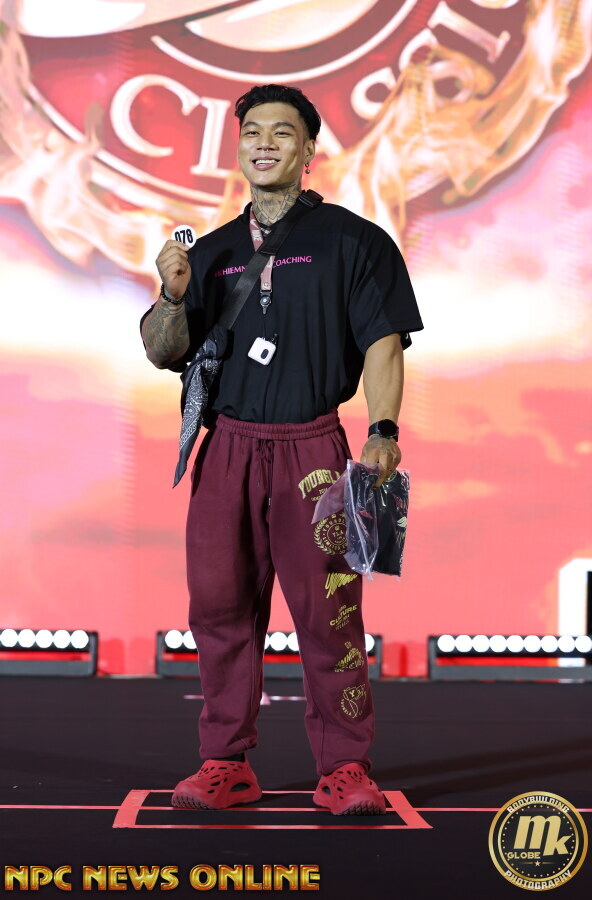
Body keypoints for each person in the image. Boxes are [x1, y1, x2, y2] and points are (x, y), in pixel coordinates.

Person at [141, 84, 423, 815]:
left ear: (308, 150)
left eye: (282, 132)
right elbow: (163, 352)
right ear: (238, 148)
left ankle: (346, 768)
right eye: (252, 132)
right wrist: (172, 294)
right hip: (227, 449)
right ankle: (225, 764)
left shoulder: (355, 241)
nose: (264, 143)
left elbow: (384, 342)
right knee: (220, 609)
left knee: (331, 612)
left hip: (313, 449)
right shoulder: (209, 253)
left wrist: (383, 430)